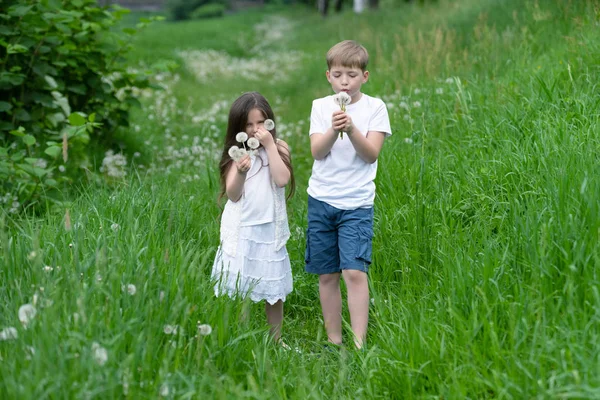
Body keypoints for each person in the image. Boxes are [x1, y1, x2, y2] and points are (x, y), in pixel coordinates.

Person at [305, 40, 392, 349]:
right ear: (328, 76)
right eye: (338, 74)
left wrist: (352, 129)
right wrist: (333, 129)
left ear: (364, 77)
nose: (345, 82)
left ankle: (358, 342)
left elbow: (371, 155)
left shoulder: (375, 107)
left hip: (356, 203)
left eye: (352, 75)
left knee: (354, 271)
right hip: (321, 200)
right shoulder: (320, 106)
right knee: (327, 274)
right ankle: (334, 340)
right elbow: (317, 151)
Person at [212, 92, 295, 344]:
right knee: (242, 286)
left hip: (270, 229)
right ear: (239, 127)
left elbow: (282, 180)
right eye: (249, 124)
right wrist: (240, 171)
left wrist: (270, 147)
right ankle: (241, 337)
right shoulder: (235, 153)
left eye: (261, 122)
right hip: (242, 230)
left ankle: (276, 339)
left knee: (273, 289)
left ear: (270, 122)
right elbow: (233, 195)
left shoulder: (279, 147)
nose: (256, 129)